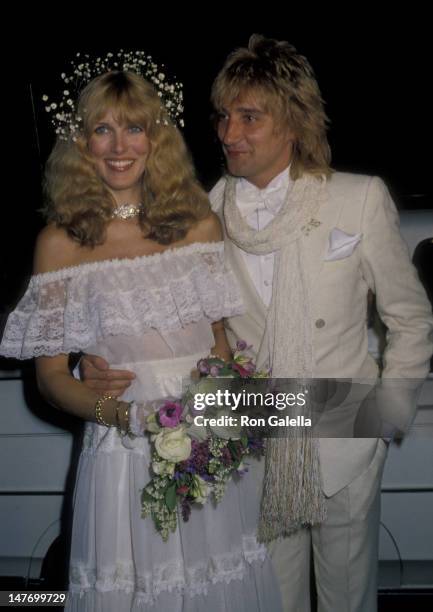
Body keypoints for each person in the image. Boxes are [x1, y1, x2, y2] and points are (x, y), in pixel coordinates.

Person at [81, 36, 433, 611]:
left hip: (345, 428)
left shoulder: (357, 199)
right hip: (252, 436)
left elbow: (411, 318)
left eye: (249, 117)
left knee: (349, 597)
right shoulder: (202, 214)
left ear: (292, 122)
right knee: (271, 599)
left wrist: (389, 409)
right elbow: (156, 312)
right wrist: (92, 364)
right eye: (223, 116)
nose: (227, 134)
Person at [0, 62, 283, 611]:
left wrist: (217, 416)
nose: (118, 145)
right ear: (81, 142)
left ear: (157, 137)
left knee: (216, 584)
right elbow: (52, 380)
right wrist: (125, 415)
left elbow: (218, 347)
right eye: (102, 129)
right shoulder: (59, 244)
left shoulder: (200, 225)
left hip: (205, 449)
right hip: (121, 454)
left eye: (134, 128)